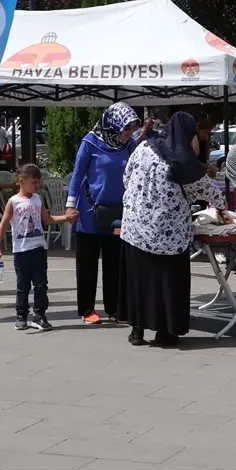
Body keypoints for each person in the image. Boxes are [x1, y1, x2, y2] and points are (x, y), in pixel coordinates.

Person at [121, 113, 223, 347]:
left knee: (141, 282)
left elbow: (126, 177)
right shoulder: (184, 163)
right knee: (167, 285)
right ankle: (165, 332)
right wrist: (224, 208)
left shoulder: (144, 147)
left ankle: (137, 330)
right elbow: (214, 195)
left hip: (135, 229)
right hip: (168, 237)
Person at [66, 102, 141, 325]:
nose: (128, 133)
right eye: (126, 128)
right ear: (113, 125)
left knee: (115, 263)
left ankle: (115, 307)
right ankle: (87, 309)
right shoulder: (90, 143)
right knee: (87, 263)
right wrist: (71, 205)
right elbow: (77, 176)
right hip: (90, 212)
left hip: (119, 212)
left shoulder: (130, 145)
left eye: (131, 129)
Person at [0, 164, 75, 331]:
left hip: (39, 249)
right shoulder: (13, 202)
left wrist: (65, 218)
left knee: (41, 284)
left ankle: (39, 316)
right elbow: (3, 224)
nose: (37, 186)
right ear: (22, 181)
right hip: (21, 251)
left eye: (38, 182)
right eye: (34, 182)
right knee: (23, 286)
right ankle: (21, 315)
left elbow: (47, 219)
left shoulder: (38, 199)